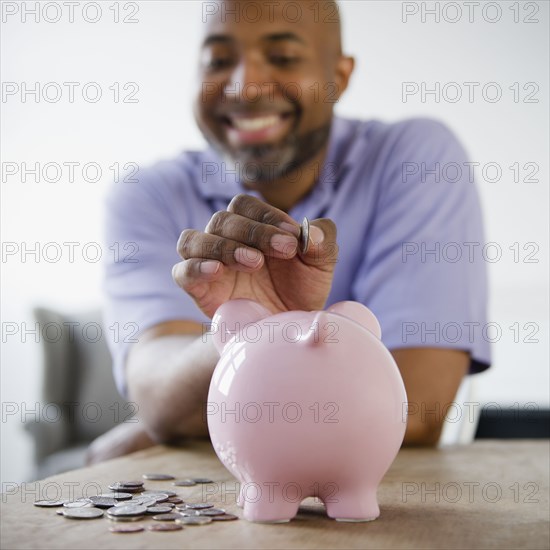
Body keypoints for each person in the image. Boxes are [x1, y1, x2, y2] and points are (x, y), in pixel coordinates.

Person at [88, 0, 490, 463]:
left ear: (339, 76)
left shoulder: (419, 157)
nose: (245, 87)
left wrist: (199, 405)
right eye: (218, 61)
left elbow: (418, 407)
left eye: (282, 57)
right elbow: (159, 396)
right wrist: (255, 333)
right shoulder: (145, 193)